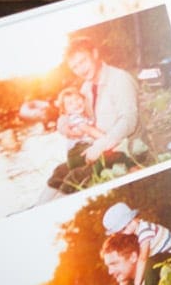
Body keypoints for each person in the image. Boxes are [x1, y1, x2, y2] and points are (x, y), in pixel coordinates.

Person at [38, 37, 141, 201]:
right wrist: (64, 127)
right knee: (59, 172)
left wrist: (101, 145)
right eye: (75, 66)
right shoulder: (86, 87)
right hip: (95, 147)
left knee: (75, 177)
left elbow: (128, 120)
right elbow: (67, 111)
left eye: (83, 61)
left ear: (94, 54)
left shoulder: (119, 79)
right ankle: (37, 208)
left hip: (120, 148)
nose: (80, 69)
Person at [102, 202, 171, 285]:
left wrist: (137, 284)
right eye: (120, 232)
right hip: (163, 254)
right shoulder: (136, 231)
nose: (125, 233)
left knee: (149, 267)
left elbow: (143, 258)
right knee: (149, 266)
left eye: (124, 228)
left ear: (133, 218)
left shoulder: (144, 231)